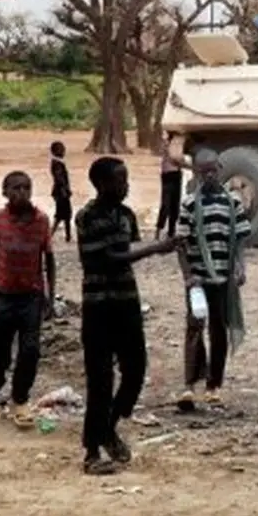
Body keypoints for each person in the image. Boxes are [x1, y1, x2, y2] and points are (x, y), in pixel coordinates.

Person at [75, 157, 185, 476]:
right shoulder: (87, 217)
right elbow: (109, 259)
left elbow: (124, 255)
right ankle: (92, 450)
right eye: (120, 180)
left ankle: (108, 428)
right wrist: (156, 249)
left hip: (126, 303)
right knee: (100, 380)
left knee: (135, 371)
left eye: (126, 179)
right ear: (101, 183)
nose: (126, 186)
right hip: (98, 306)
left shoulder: (125, 216)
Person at [0, 171, 55, 430]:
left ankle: (20, 399)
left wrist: (50, 295)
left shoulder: (41, 221)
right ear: (5, 192)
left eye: (26, 188)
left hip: (31, 297)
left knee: (30, 350)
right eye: (16, 188)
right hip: (3, 296)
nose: (22, 193)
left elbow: (49, 259)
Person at [174, 146, 252, 411]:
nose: (209, 176)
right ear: (196, 173)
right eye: (203, 172)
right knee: (195, 327)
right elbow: (181, 244)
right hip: (198, 279)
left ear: (219, 169)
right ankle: (190, 384)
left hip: (223, 277)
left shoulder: (233, 202)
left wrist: (240, 266)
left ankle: (213, 385)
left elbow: (239, 239)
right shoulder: (189, 204)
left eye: (212, 171)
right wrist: (188, 276)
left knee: (219, 330)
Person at [155, 134, 186, 240]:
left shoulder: (175, 143)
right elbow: (176, 160)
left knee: (174, 204)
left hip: (174, 173)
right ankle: (160, 231)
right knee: (167, 203)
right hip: (169, 174)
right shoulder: (169, 144)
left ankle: (170, 231)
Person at [49, 141, 73, 243]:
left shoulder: (56, 163)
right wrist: (65, 190)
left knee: (64, 215)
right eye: (62, 150)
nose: (64, 151)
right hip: (61, 193)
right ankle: (51, 235)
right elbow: (60, 179)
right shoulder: (57, 164)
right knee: (62, 215)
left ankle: (68, 236)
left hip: (60, 192)